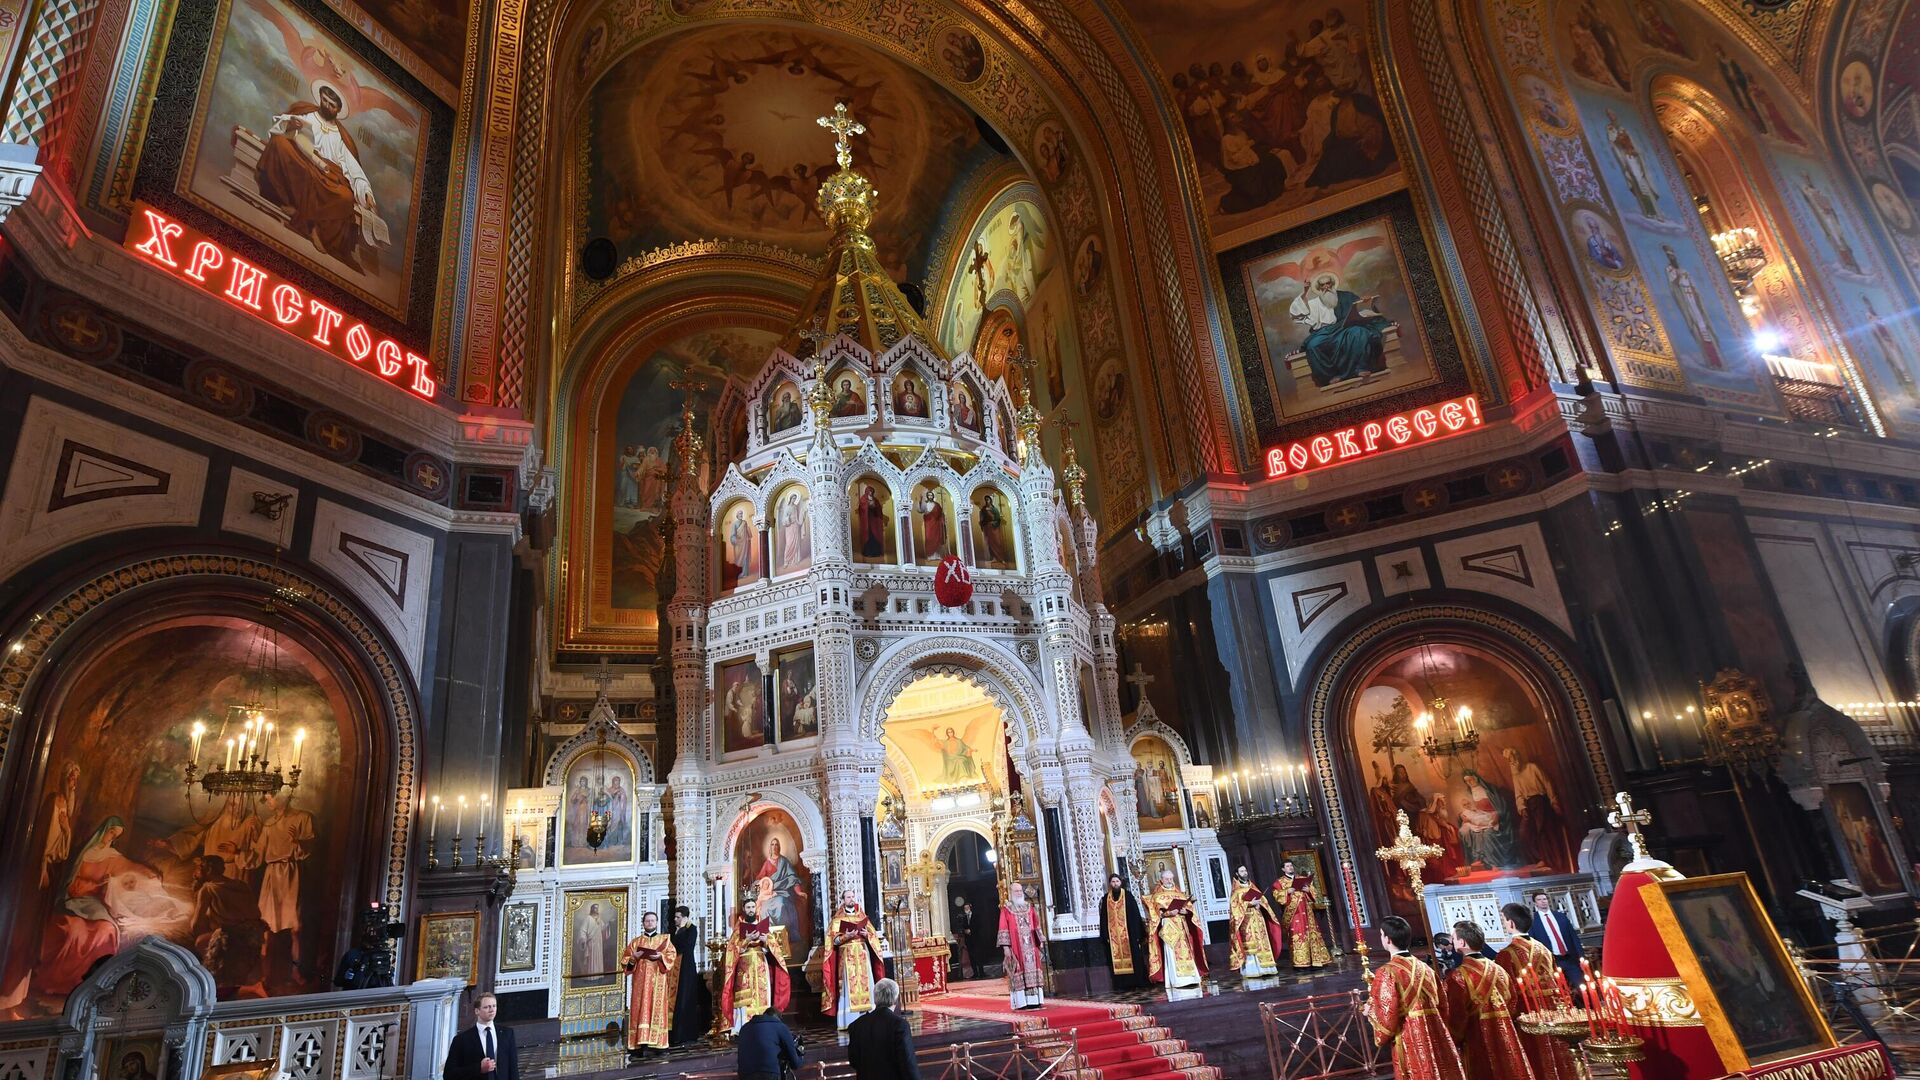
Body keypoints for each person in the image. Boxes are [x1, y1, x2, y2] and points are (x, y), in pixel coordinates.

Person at [256, 82, 379, 272]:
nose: (327, 105)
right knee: (280, 143)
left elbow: (355, 171)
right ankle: (295, 207)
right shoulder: (307, 114)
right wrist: (289, 125)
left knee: (346, 197)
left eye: (332, 104)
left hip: (329, 172)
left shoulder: (341, 136)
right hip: (304, 158)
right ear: (320, 97)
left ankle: (316, 228)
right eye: (325, 100)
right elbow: (279, 130)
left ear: (338, 109)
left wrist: (366, 192)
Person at [1368, 916, 1466, 1080]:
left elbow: (1388, 1018)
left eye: (1381, 935)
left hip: (1410, 1035)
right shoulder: (1426, 968)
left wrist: (1370, 1010)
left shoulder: (1387, 972)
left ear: (1388, 939)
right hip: (1436, 1030)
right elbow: (1443, 1005)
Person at [1498, 904, 1579, 1080]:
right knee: (1559, 1053)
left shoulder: (1507, 954)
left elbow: (1508, 992)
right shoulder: (1544, 949)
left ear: (1510, 923)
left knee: (1536, 1056)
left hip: (1528, 1012)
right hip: (1552, 1009)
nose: (1504, 923)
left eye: (1504, 920)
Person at [1445, 921, 1534, 1080]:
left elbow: (1456, 1014)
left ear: (1462, 942)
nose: (1451, 941)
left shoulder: (1458, 976)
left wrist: (1454, 1038)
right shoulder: (1499, 970)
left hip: (1477, 1037)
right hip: (1506, 1032)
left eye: (1453, 938)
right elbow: (1512, 1001)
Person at [1289, 271, 1391, 387]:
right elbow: (1297, 315)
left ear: (1333, 284)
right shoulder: (1314, 304)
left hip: (1346, 328)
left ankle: (1360, 368)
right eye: (1322, 285)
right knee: (1313, 345)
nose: (1326, 287)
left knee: (1359, 332)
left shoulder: (1346, 296)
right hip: (1324, 333)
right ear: (1319, 287)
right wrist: (1305, 293)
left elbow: (1361, 309)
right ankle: (1331, 376)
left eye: (1328, 283)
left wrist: (1365, 302)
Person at [188, 854, 266, 995]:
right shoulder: (241, 884)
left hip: (229, 935)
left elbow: (196, 924)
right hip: (252, 932)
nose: (195, 872)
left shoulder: (208, 889)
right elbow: (256, 912)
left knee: (200, 942)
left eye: (198, 868)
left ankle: (217, 984)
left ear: (208, 869)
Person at [722, 896, 792, 1035]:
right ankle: (743, 1026)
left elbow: (775, 947)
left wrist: (765, 940)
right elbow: (732, 950)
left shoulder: (763, 926)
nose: (751, 910)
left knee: (763, 994)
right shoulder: (738, 929)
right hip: (744, 966)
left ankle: (764, 1024)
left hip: (760, 963)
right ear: (743, 909)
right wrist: (746, 940)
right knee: (744, 997)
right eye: (748, 908)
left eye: (753, 907)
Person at [822, 890, 887, 1030]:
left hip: (863, 955)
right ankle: (849, 1021)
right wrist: (847, 936)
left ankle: (869, 1019)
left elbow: (873, 935)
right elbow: (834, 940)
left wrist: (866, 934)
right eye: (848, 897)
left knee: (867, 984)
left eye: (853, 897)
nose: (851, 899)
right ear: (843, 900)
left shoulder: (862, 915)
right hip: (847, 957)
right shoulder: (837, 919)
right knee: (847, 987)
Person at [619, 911, 677, 1055]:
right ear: (643, 923)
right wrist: (634, 957)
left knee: (656, 1009)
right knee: (641, 1009)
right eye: (647, 921)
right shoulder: (636, 942)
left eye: (652, 921)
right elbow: (627, 965)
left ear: (657, 923)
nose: (650, 923)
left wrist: (660, 956)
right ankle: (640, 1044)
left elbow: (671, 958)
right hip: (640, 983)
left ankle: (658, 1044)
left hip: (658, 983)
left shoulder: (665, 940)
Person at [1143, 869, 1207, 996]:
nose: (1169, 881)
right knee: (1172, 953)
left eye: (1171, 878)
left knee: (1186, 951)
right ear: (1161, 880)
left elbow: (1189, 910)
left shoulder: (1180, 894)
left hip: (1182, 927)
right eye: (1167, 879)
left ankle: (1191, 978)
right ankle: (1176, 980)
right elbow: (1156, 914)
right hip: (1169, 927)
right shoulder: (1157, 896)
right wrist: (1168, 913)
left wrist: (1185, 912)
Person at [846, 978, 920, 1080]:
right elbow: (907, 1064)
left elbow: (853, 1061)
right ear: (896, 999)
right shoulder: (899, 1025)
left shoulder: (856, 1026)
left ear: (875, 998)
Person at [1271, 861, 1333, 969]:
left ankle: (1317, 961)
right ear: (1283, 869)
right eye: (1287, 866)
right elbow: (1277, 895)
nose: (1290, 868)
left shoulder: (1301, 878)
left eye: (1291, 866)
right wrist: (1287, 892)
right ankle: (1300, 963)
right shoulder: (1279, 882)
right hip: (1294, 914)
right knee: (1298, 936)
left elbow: (1314, 892)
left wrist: (1308, 890)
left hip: (1307, 911)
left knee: (1312, 934)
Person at [443, 992, 518, 1080]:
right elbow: (449, 1075)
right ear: (477, 1011)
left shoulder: (507, 1034)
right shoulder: (462, 1039)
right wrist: (478, 1068)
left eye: (494, 1006)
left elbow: (513, 1069)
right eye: (487, 1007)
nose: (492, 1010)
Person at [997, 881, 1047, 1010]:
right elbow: (1003, 927)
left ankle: (1035, 1000)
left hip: (1031, 946)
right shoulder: (1007, 909)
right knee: (1018, 971)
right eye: (1016, 891)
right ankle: (1021, 1002)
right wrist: (1006, 948)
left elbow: (1036, 924)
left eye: (1020, 891)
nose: (1019, 893)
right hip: (1016, 947)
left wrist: (1040, 939)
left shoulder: (1029, 907)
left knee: (1033, 971)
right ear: (1011, 892)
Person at [1227, 865, 1284, 977]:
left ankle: (1267, 968)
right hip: (1246, 922)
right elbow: (1234, 908)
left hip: (1258, 919)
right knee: (1251, 946)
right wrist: (1248, 904)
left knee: (1262, 943)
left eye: (1245, 870)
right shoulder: (1236, 891)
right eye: (1241, 871)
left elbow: (1263, 901)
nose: (1244, 873)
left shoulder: (1253, 887)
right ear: (1237, 874)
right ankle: (1253, 970)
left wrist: (1260, 904)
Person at [668, 906, 713, 1046]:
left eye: (678, 917)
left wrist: (680, 931)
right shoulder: (677, 930)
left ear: (685, 917)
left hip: (686, 967)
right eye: (675, 917)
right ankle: (676, 1033)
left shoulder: (691, 929)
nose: (675, 919)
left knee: (685, 998)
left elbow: (686, 947)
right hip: (676, 967)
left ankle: (686, 1033)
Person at [1097, 873, 1149, 991]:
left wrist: (1136, 933)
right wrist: (1105, 934)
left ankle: (1137, 981)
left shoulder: (1128, 896)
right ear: (1110, 884)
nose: (1115, 884)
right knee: (1115, 960)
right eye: (1113, 882)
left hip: (1129, 934)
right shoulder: (1106, 899)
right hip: (1114, 936)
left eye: (1117, 881)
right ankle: (1121, 984)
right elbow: (1103, 918)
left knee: (1134, 957)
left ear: (1121, 883)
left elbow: (1134, 915)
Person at [1526, 892, 1583, 993]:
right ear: (1535, 903)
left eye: (1545, 899)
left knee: (1581, 987)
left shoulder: (1560, 916)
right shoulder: (1533, 921)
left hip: (1569, 958)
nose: (1543, 902)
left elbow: (1573, 937)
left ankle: (1586, 1007)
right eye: (1539, 900)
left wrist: (1581, 956)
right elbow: (1533, 943)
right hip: (1552, 961)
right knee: (1560, 991)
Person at [735, 1006, 802, 1080]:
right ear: (778, 1018)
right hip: (768, 1073)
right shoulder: (780, 1026)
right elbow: (795, 1063)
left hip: (745, 1074)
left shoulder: (744, 1028)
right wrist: (801, 1057)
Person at [952, 899, 978, 979]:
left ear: (970, 908)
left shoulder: (976, 915)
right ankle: (975, 973)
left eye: (967, 907)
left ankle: (981, 972)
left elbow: (979, 925)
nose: (966, 909)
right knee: (971, 957)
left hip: (976, 939)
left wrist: (972, 930)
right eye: (965, 908)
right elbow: (961, 927)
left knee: (978, 956)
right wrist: (965, 931)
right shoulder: (963, 917)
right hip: (968, 939)